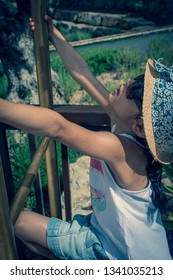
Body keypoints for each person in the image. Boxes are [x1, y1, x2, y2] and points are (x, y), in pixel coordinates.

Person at [0, 16, 173, 260]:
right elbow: (82, 73)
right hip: (106, 235)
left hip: (124, 258)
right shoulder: (122, 120)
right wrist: (54, 34)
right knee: (20, 221)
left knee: (18, 220)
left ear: (138, 127)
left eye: (134, 90)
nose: (126, 82)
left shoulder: (120, 149)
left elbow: (59, 127)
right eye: (137, 79)